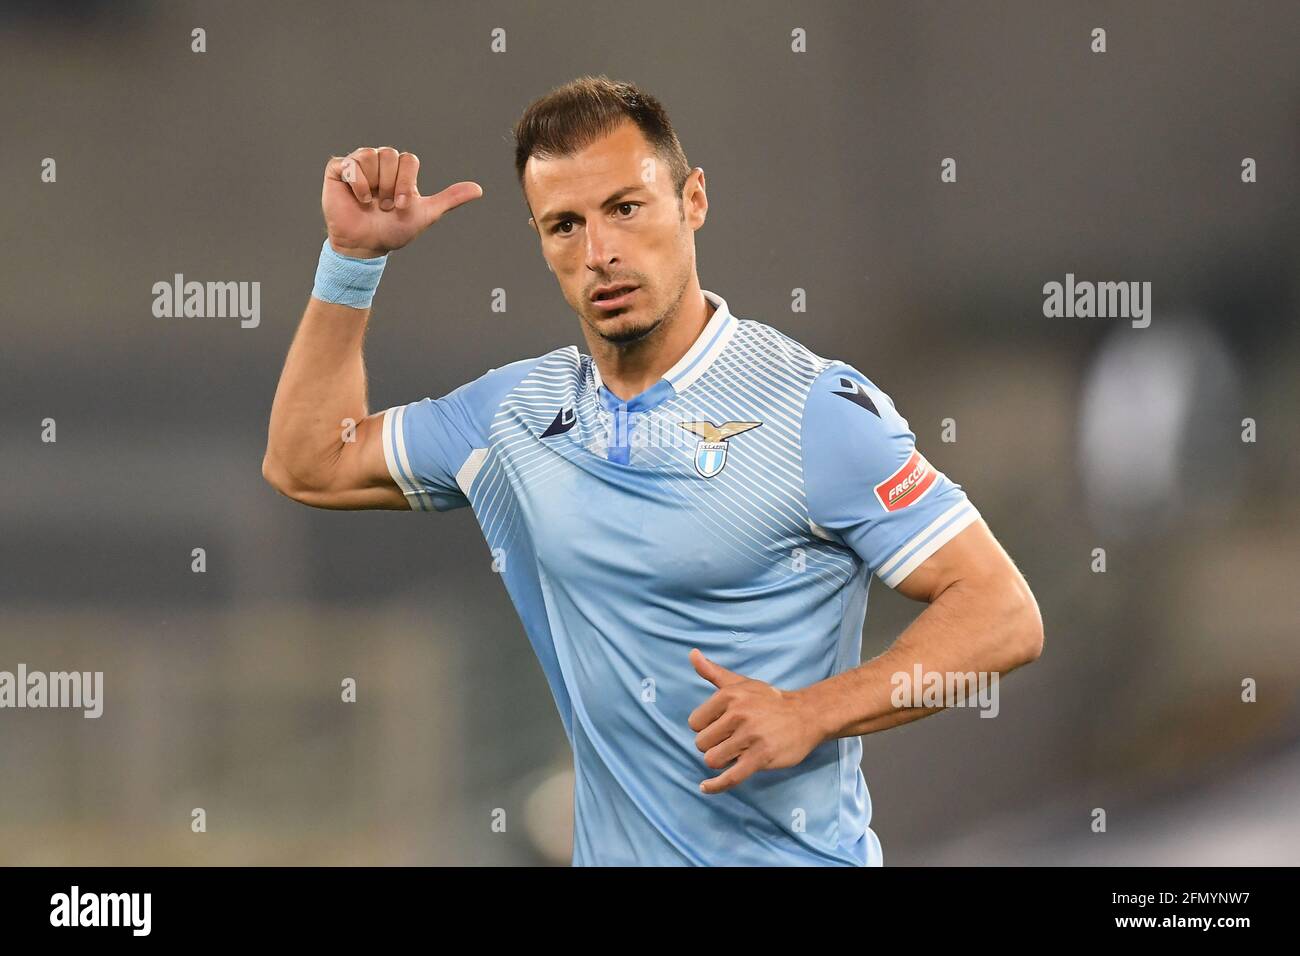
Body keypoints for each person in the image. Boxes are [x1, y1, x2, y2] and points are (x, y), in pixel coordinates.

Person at [263, 75, 1043, 865]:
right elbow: (309, 461)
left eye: (625, 209)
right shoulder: (511, 418)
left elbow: (1003, 613)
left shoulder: (816, 410)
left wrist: (812, 711)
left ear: (692, 200)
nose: (600, 253)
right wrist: (352, 260)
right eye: (564, 225)